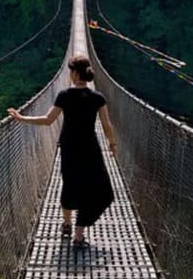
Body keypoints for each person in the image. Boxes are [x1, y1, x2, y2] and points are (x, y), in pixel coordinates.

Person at [8, 55, 117, 249]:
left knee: (70, 181)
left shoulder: (64, 96)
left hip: (69, 146)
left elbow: (48, 120)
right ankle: (78, 233)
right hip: (90, 147)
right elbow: (107, 125)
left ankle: (66, 224)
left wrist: (22, 118)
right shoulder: (98, 98)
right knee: (100, 190)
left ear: (74, 73)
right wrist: (112, 143)